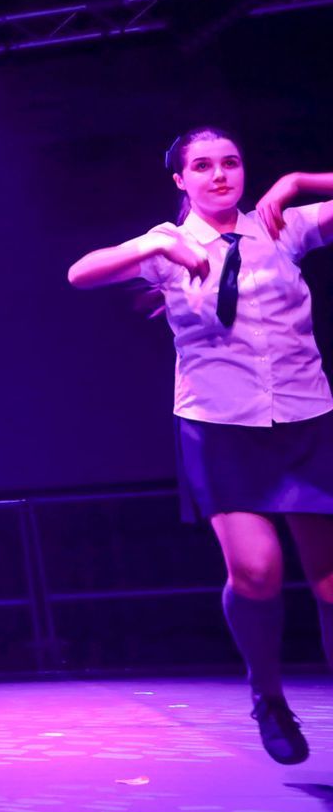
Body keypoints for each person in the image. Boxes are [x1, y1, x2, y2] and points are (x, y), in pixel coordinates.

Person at [69, 129, 333, 764]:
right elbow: (79, 274)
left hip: (306, 417)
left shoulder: (283, 225)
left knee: (330, 587)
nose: (220, 175)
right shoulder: (166, 246)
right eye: (203, 166)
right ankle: (267, 694)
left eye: (232, 163)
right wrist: (156, 241)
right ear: (180, 180)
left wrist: (300, 179)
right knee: (257, 572)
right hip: (220, 425)